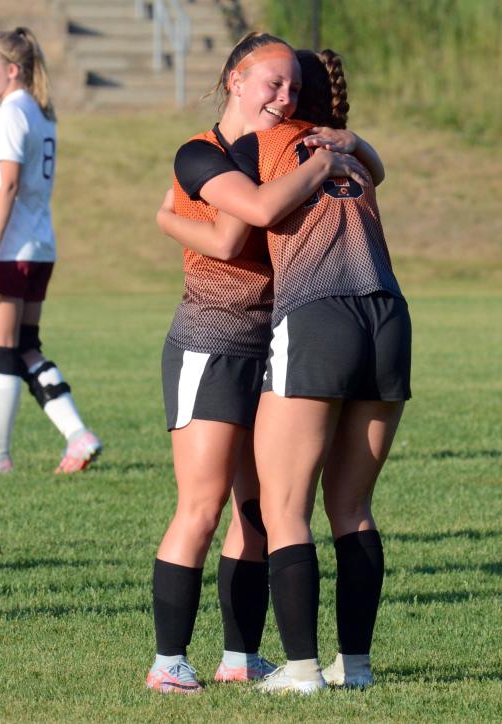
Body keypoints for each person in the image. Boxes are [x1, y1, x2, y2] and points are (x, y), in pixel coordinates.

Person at [162, 48, 407, 693]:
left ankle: (281, 666)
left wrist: (342, 149)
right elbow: (230, 233)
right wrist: (345, 148)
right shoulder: (325, 153)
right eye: (274, 84)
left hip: (303, 327)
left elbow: (257, 214)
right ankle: (179, 662)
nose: (284, 96)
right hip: (323, 325)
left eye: (294, 87)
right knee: (244, 505)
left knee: (273, 507)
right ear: (236, 81)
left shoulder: (279, 149)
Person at [0, 27, 101, 476]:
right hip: (38, 248)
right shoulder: (40, 111)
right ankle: (78, 434)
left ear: (11, 71)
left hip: (11, 250)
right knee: (26, 347)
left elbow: (10, 183)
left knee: (2, 353)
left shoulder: (14, 113)